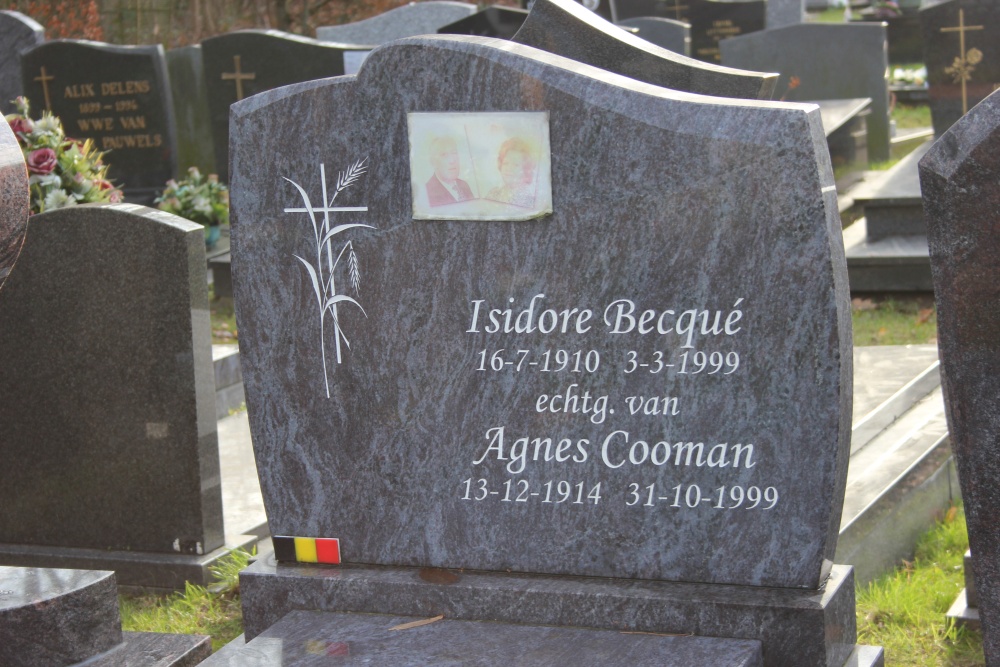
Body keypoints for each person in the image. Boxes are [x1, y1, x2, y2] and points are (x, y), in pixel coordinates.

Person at [485, 137, 536, 208]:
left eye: (515, 165)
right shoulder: (493, 194)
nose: (509, 168)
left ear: (525, 169)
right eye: (506, 163)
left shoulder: (530, 202)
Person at [425, 136, 474, 207]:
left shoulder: (464, 185)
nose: (452, 161)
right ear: (433, 162)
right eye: (444, 155)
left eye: (454, 153)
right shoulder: (427, 192)